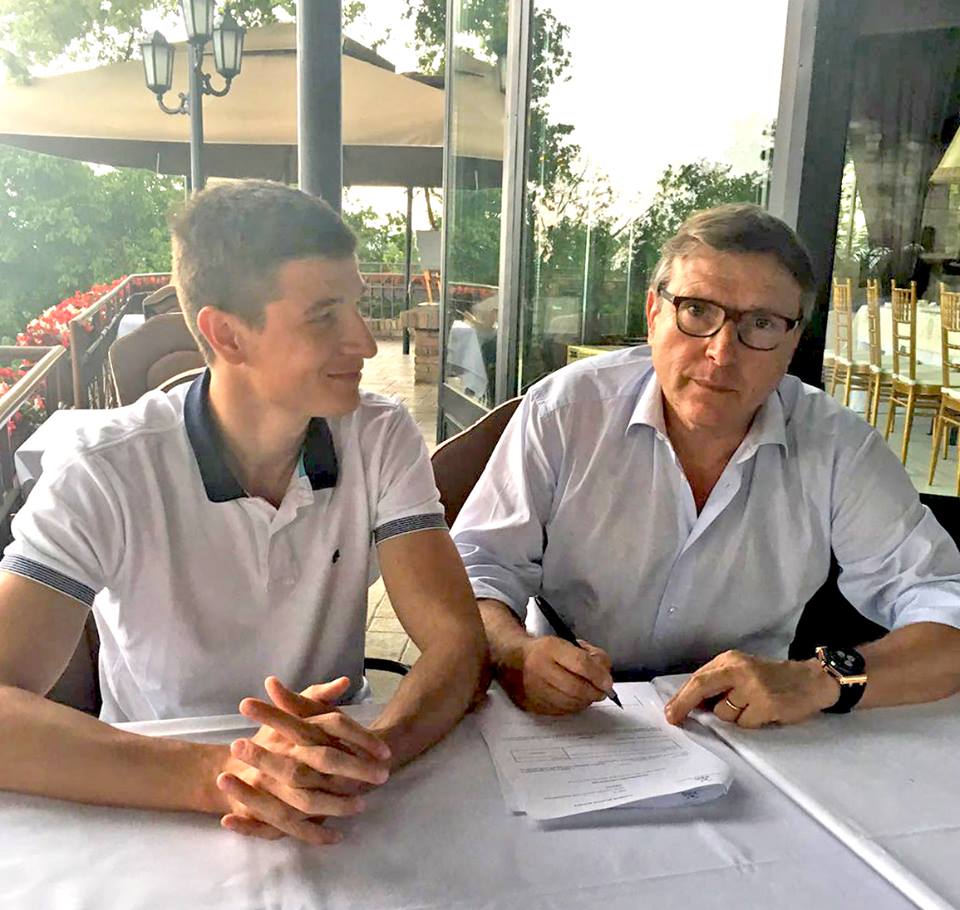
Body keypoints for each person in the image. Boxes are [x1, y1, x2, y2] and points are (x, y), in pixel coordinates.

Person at [0, 180, 487, 845]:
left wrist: (367, 757)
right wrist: (227, 774)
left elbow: (456, 639)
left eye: (357, 306)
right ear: (226, 334)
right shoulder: (105, 467)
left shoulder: (378, 435)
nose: (365, 343)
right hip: (155, 799)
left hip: (337, 807)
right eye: (324, 316)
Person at [451, 203, 960, 728]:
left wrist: (819, 679)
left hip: (745, 727)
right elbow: (472, 570)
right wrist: (515, 654)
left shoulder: (838, 447)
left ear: (792, 341)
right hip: (565, 719)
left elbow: (945, 605)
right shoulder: (563, 413)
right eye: (697, 310)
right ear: (654, 314)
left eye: (761, 323)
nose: (722, 352)